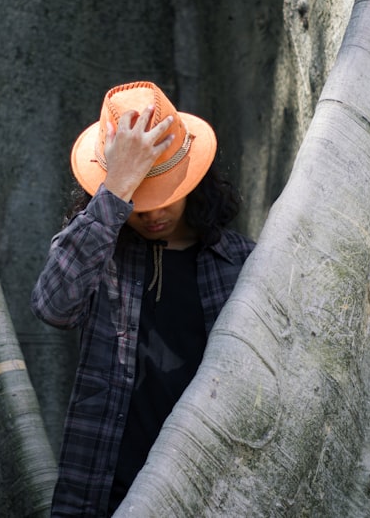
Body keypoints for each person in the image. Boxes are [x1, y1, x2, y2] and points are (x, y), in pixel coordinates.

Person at [31, 81, 255, 516]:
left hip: (210, 495)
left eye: (165, 194)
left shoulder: (241, 263)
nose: (153, 213)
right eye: (140, 200)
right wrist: (116, 189)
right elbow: (52, 305)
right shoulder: (99, 254)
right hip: (102, 492)